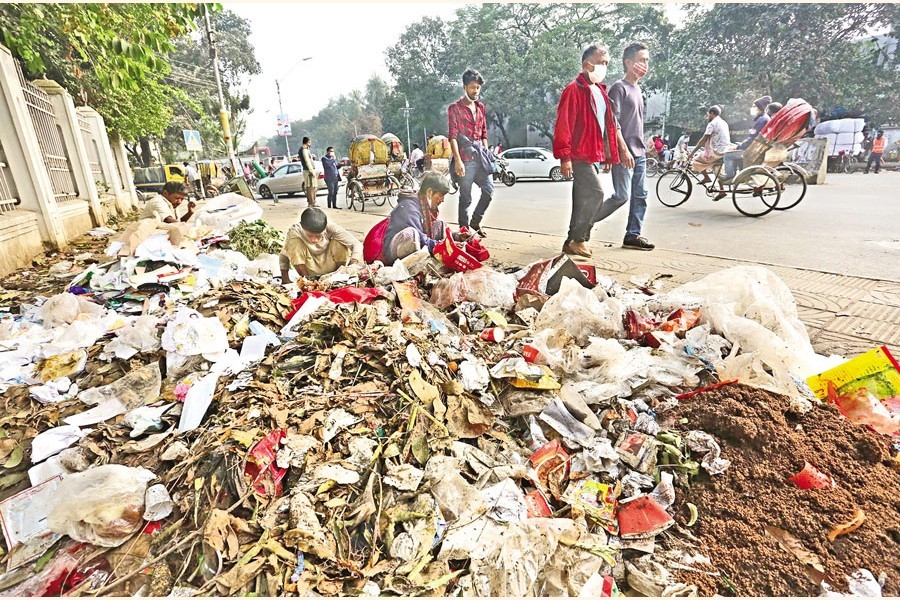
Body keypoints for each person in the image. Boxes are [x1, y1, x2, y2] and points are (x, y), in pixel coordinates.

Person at [553, 42, 630, 259]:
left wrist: (608, 154)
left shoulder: (600, 92)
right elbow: (564, 125)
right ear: (587, 64)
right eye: (600, 63)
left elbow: (607, 126)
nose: (604, 67)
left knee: (581, 199)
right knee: (596, 194)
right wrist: (564, 157)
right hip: (578, 155)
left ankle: (571, 241)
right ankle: (579, 238)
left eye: (606, 63)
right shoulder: (573, 91)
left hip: (592, 153)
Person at [590, 42, 653, 251]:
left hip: (640, 152)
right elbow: (612, 121)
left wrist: (645, 145)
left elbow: (636, 122)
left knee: (640, 195)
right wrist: (622, 150)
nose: (645, 64)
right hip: (625, 152)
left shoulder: (637, 89)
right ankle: (585, 223)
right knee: (621, 196)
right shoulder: (619, 88)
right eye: (641, 60)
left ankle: (633, 234)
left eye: (647, 60)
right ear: (628, 62)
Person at [448, 68, 494, 236]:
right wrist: (458, 161)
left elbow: (483, 133)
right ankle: (464, 230)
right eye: (473, 87)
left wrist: (486, 150)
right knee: (465, 197)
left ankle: (475, 222)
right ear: (464, 88)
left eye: (478, 88)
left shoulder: (481, 107)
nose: (476, 91)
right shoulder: (454, 108)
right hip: (465, 159)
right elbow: (452, 136)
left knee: (489, 190)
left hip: (481, 156)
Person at [381, 171, 460, 265]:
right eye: (440, 196)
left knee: (440, 224)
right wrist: (441, 245)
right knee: (412, 235)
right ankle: (410, 266)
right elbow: (420, 237)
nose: (442, 200)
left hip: (418, 241)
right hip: (394, 250)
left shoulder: (423, 204)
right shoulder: (408, 207)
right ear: (430, 192)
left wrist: (457, 236)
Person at [279, 207, 362, 281]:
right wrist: (285, 278)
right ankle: (307, 281)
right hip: (309, 269)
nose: (314, 240)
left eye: (318, 236)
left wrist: (352, 264)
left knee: (339, 242)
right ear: (302, 227)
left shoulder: (331, 228)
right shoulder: (295, 232)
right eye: (310, 235)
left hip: (332, 267)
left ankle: (338, 278)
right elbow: (284, 254)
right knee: (294, 243)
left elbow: (356, 244)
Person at [722, 95, 773, 188]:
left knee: (727, 155)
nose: (752, 108)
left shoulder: (762, 120)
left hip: (753, 150)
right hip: (757, 147)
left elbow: (751, 139)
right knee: (734, 148)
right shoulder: (764, 118)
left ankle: (730, 177)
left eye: (754, 106)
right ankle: (741, 172)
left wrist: (738, 147)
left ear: (759, 108)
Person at [687, 106, 733, 185]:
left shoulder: (712, 123)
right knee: (716, 168)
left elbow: (703, 140)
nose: (707, 117)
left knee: (696, 160)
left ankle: (706, 177)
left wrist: (692, 153)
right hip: (725, 149)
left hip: (716, 151)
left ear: (712, 113)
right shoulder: (724, 122)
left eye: (708, 114)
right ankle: (721, 191)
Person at [299, 136, 318, 207]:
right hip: (308, 171)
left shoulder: (305, 149)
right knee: (310, 187)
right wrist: (312, 171)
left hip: (307, 170)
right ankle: (312, 202)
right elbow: (307, 161)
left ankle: (311, 202)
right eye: (310, 142)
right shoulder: (304, 150)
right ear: (308, 142)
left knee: (311, 187)